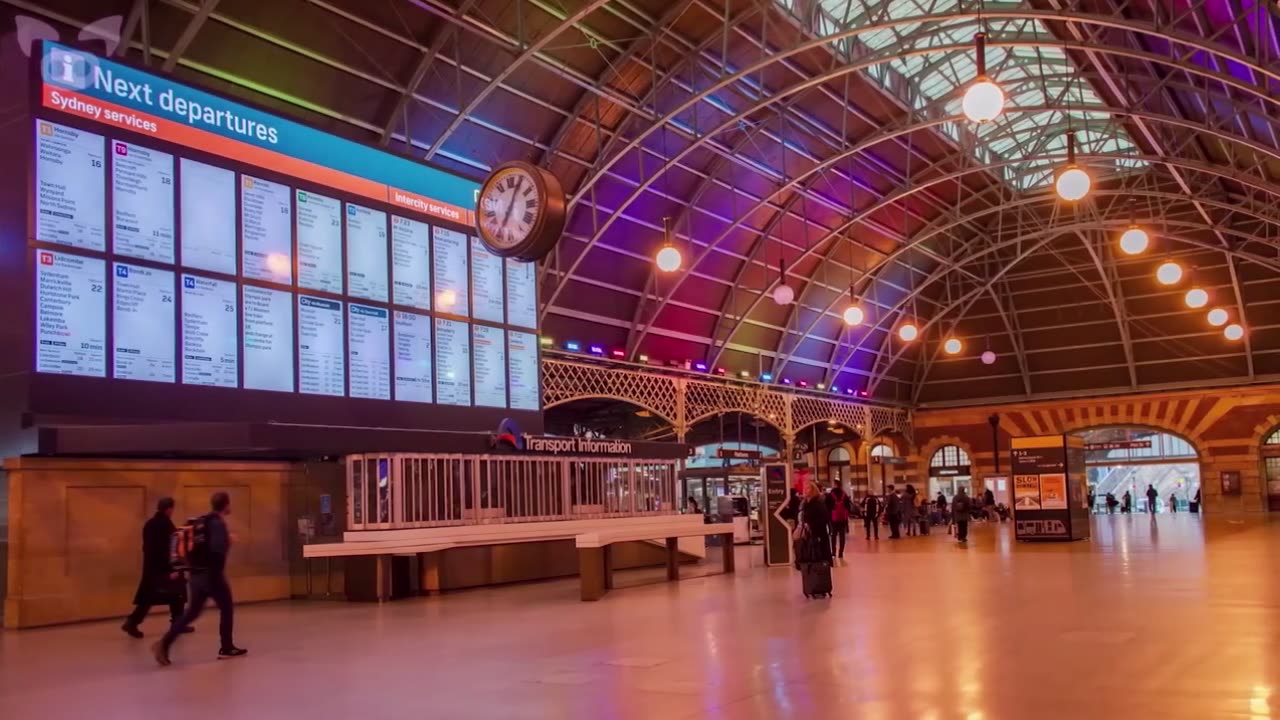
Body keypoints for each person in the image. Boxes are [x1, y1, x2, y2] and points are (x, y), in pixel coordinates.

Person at [154, 492, 246, 665]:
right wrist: (228, 542)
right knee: (226, 608)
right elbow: (217, 552)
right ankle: (226, 648)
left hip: (195, 575)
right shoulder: (217, 524)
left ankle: (164, 644)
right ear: (226, 505)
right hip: (211, 575)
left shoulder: (203, 522)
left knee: (191, 613)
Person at [122, 498, 191, 639]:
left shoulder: (149, 524)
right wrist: (174, 569)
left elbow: (148, 547)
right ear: (169, 509)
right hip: (165, 568)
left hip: (151, 568)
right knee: (177, 593)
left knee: (148, 598)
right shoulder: (166, 525)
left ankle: (132, 622)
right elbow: (170, 549)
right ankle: (177, 623)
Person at [826, 484, 854, 558]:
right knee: (842, 535)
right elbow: (848, 506)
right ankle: (841, 552)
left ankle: (833, 552)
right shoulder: (844, 495)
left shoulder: (830, 495)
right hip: (843, 518)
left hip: (833, 519)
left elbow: (827, 507)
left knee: (833, 535)